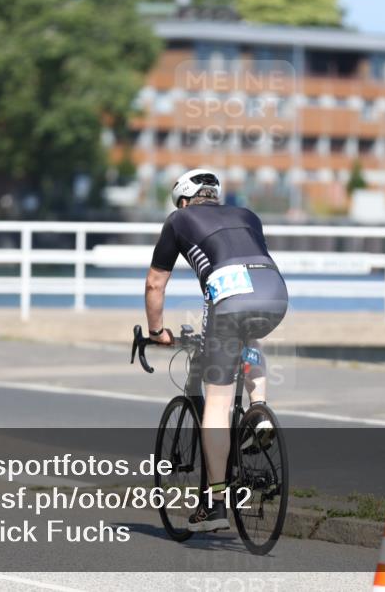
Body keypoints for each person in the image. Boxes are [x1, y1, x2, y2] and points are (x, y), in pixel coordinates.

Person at [145, 169, 289, 532]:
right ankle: (260, 411)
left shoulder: (179, 219)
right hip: (274, 292)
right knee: (248, 333)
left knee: (218, 404)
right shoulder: (246, 215)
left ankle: (216, 503)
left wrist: (157, 331)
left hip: (229, 299)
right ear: (213, 196)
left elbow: (154, 284)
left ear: (182, 201)